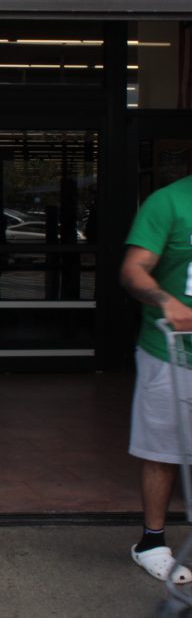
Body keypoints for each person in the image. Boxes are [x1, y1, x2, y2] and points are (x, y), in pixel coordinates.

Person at [120, 174, 192, 583]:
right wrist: (166, 301)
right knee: (163, 450)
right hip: (172, 352)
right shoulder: (169, 202)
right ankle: (152, 541)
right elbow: (134, 270)